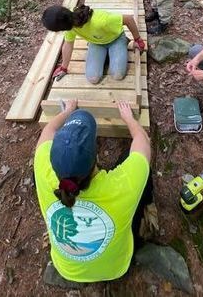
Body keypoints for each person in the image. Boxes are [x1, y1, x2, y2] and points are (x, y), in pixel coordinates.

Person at [34, 99, 152, 283]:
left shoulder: (42, 168)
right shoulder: (121, 186)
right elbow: (143, 142)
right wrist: (129, 119)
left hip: (67, 270)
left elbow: (47, 131)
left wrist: (67, 112)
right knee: (142, 171)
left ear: (51, 158)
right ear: (95, 155)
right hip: (116, 268)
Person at [42, 4, 145, 83]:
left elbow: (129, 19)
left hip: (116, 39)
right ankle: (108, 55)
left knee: (117, 75)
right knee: (93, 78)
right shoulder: (70, 26)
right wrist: (63, 68)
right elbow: (68, 44)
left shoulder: (100, 21)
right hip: (97, 42)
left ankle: (124, 42)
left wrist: (138, 39)